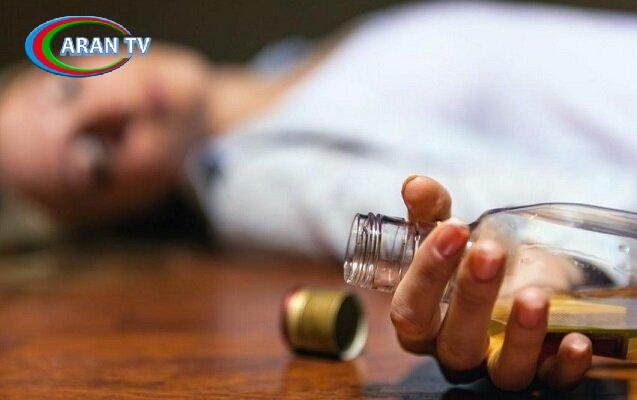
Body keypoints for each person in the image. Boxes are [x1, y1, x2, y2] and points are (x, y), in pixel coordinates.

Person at [1, 0, 637, 390]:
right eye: (95, 163)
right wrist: (545, 271)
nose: (110, 112)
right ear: (120, 217)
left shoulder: (281, 66)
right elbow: (513, 231)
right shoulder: (255, 181)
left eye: (68, 88)